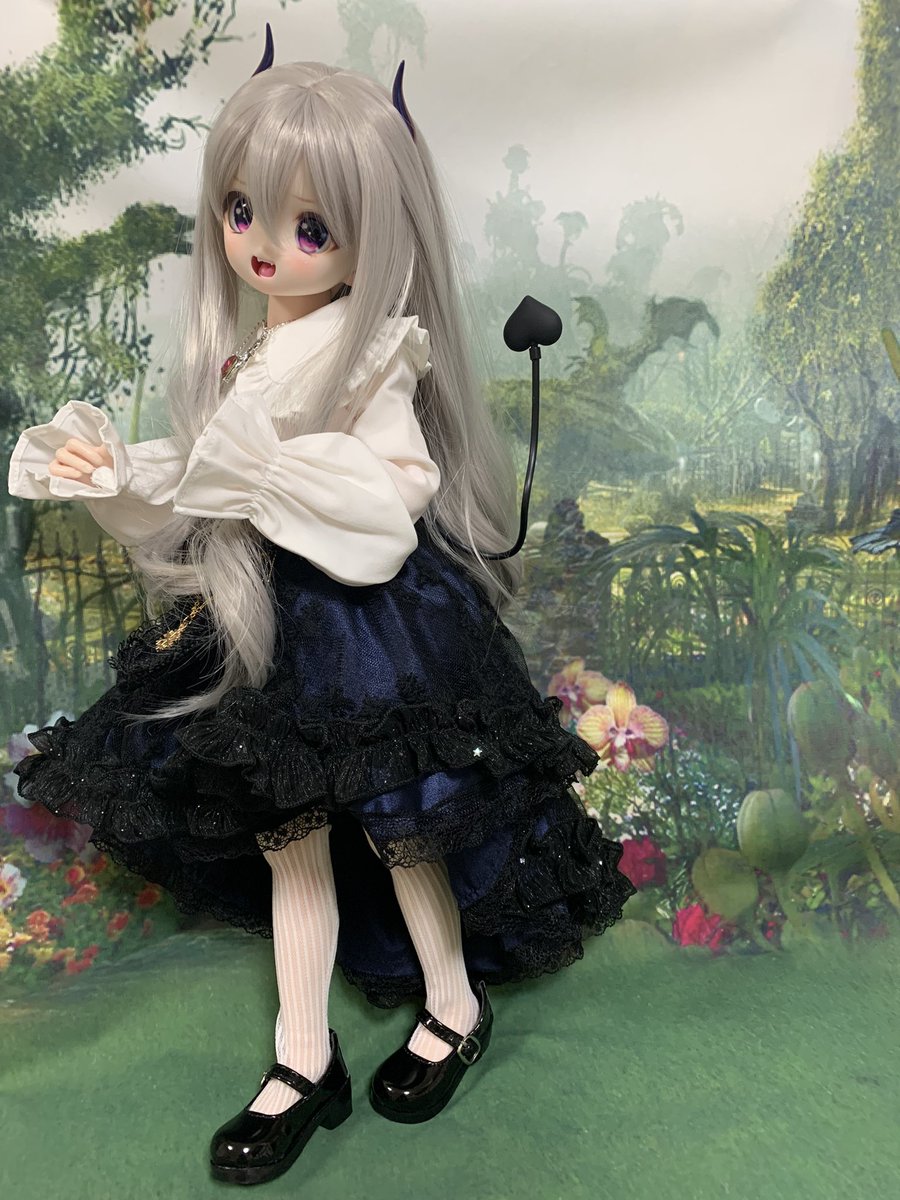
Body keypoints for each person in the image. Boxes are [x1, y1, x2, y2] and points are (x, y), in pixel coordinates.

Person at [7, 44, 636, 1187]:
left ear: (371, 236)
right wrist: (116, 476)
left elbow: (391, 497)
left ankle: (453, 1004)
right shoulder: (248, 351)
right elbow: (202, 484)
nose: (264, 246)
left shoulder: (373, 347)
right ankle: (303, 1059)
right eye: (242, 210)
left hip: (362, 622)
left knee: (405, 828)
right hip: (260, 619)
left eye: (310, 228)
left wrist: (272, 474)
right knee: (287, 841)